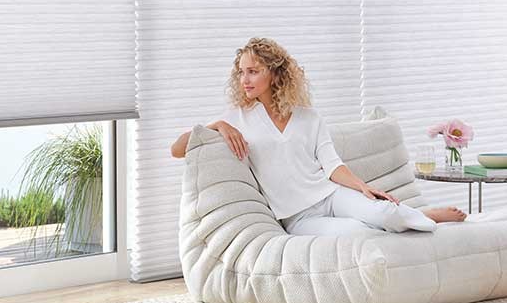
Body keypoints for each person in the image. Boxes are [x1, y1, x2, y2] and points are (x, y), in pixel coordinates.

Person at [170, 37, 467, 236]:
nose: (244, 80)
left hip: (330, 195)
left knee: (385, 214)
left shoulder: (308, 117)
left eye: (252, 71)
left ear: (274, 74)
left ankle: (424, 216)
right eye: (241, 72)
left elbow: (333, 165)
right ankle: (419, 216)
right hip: (297, 217)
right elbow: (177, 148)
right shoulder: (237, 118)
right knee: (358, 233)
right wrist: (218, 125)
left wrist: (363, 187)